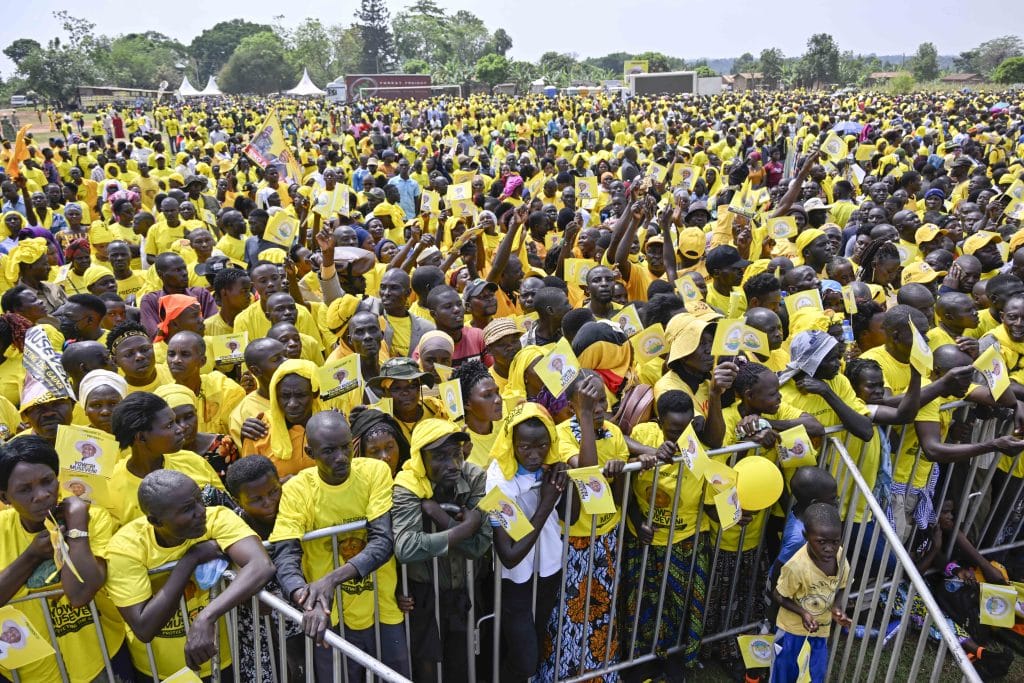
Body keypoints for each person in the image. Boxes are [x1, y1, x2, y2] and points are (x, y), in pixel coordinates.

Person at [270, 411, 411, 681]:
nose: (341, 457)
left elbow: (383, 540)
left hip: (382, 608)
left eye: (346, 447)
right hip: (330, 617)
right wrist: (305, 599)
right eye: (329, 451)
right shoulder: (297, 489)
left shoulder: (374, 472)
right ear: (310, 452)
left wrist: (331, 580)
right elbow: (285, 554)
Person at [105, 469, 275, 680]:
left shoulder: (216, 517)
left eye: (199, 499)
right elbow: (144, 626)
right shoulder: (125, 547)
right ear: (156, 521)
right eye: (187, 509)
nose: (201, 511)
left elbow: (261, 564)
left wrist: (206, 617)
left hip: (221, 659)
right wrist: (190, 560)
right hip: (161, 670)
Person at [0, 435, 133, 683]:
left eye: (47, 481)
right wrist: (32, 556)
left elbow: (81, 594)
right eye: (25, 489)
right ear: (5, 498)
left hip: (99, 657)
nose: (41, 495)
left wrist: (78, 529)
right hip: (28, 671)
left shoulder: (94, 518)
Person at [392, 418, 492, 683]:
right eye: (439, 456)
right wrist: (462, 529)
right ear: (420, 458)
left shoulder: (474, 476)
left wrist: (443, 520)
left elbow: (481, 544)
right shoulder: (407, 486)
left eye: (456, 454)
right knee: (427, 669)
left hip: (465, 589)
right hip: (424, 593)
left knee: (462, 666)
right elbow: (405, 547)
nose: (452, 464)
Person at [484, 402, 569, 682]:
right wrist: (545, 503)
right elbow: (509, 554)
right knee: (525, 659)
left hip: (548, 569)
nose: (534, 455)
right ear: (512, 443)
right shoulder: (499, 479)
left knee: (534, 643)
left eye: (542, 445)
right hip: (515, 579)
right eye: (525, 448)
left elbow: (572, 514)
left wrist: (566, 479)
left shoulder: (551, 464)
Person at [108, 391, 225, 525]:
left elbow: (226, 511)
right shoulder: (112, 486)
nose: (180, 429)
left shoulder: (192, 461)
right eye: (169, 425)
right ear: (141, 437)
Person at [772, 503, 852, 683]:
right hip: (791, 632)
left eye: (835, 541)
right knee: (784, 675)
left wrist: (837, 608)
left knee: (814, 676)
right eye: (821, 542)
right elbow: (778, 595)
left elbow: (842, 586)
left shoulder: (840, 556)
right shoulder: (797, 567)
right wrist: (803, 613)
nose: (829, 548)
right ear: (806, 536)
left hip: (820, 632)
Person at [240, 359, 323, 479]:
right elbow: (250, 481)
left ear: (314, 393)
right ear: (275, 396)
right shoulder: (259, 430)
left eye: (300, 395)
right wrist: (278, 486)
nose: (292, 404)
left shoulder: (330, 425)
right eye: (285, 396)